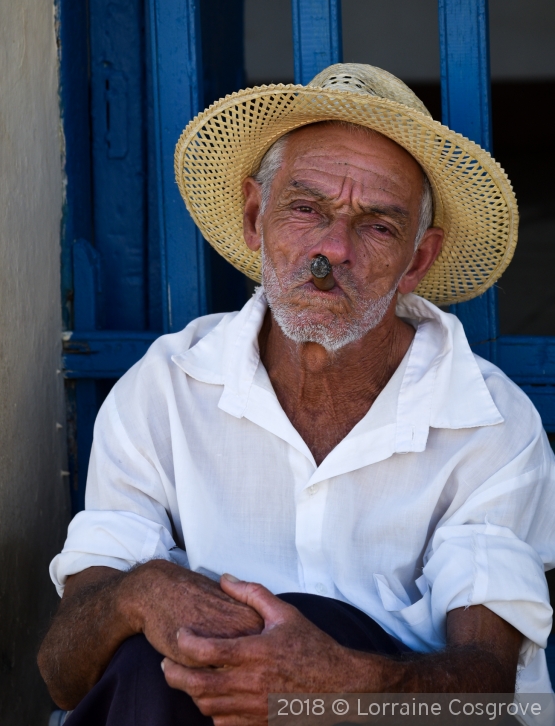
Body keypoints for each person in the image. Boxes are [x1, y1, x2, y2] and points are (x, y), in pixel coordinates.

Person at [38, 64, 555, 725]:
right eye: (305, 209)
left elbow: (482, 694)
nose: (332, 250)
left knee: (331, 625)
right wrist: (137, 594)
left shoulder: (488, 425)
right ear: (256, 217)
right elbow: (62, 676)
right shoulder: (163, 392)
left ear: (416, 262)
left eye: (376, 226)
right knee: (145, 663)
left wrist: (342, 684)